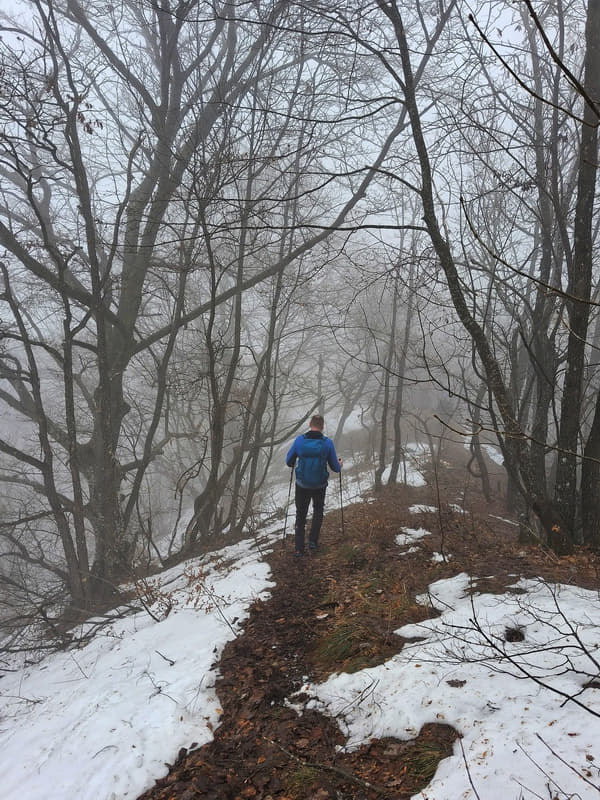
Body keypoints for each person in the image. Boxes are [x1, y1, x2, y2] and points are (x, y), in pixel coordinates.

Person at [285, 414, 343, 556]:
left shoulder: (299, 441)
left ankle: (299, 549)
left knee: (301, 515)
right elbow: (335, 467)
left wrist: (297, 460)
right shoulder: (327, 443)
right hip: (319, 485)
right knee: (318, 511)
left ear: (310, 424)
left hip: (302, 485)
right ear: (322, 427)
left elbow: (289, 462)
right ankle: (313, 542)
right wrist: (340, 464)